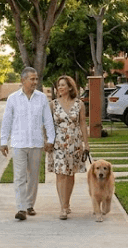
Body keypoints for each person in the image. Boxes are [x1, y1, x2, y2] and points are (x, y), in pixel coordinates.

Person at [0, 67, 56, 221]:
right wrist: (3, 141)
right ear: (23, 80)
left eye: (36, 79)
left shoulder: (42, 98)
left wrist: (50, 139)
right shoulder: (12, 98)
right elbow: (7, 121)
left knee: (33, 177)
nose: (35, 82)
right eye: (32, 79)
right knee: (19, 177)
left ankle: (30, 204)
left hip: (36, 143)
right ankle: (21, 208)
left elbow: (48, 120)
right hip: (18, 143)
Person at [48, 75, 89, 220]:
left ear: (70, 87)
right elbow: (47, 124)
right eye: (58, 85)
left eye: (63, 85)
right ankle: (63, 207)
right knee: (60, 174)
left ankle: (67, 203)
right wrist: (47, 141)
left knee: (70, 175)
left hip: (74, 143)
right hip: (58, 143)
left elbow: (83, 124)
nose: (60, 88)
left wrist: (86, 144)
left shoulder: (79, 104)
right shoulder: (53, 104)